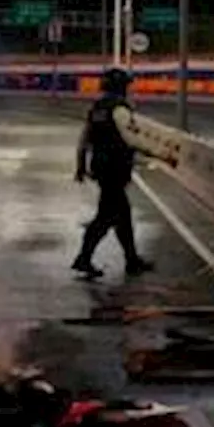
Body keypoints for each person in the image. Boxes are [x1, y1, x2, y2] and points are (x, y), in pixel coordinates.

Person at [71, 67, 159, 279]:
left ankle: (132, 260)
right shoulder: (120, 109)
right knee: (106, 217)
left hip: (101, 167)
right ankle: (83, 258)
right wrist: (158, 153)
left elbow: (84, 139)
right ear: (121, 87)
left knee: (122, 216)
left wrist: (81, 165)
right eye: (127, 85)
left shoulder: (97, 108)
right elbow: (132, 139)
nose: (129, 89)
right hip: (115, 169)